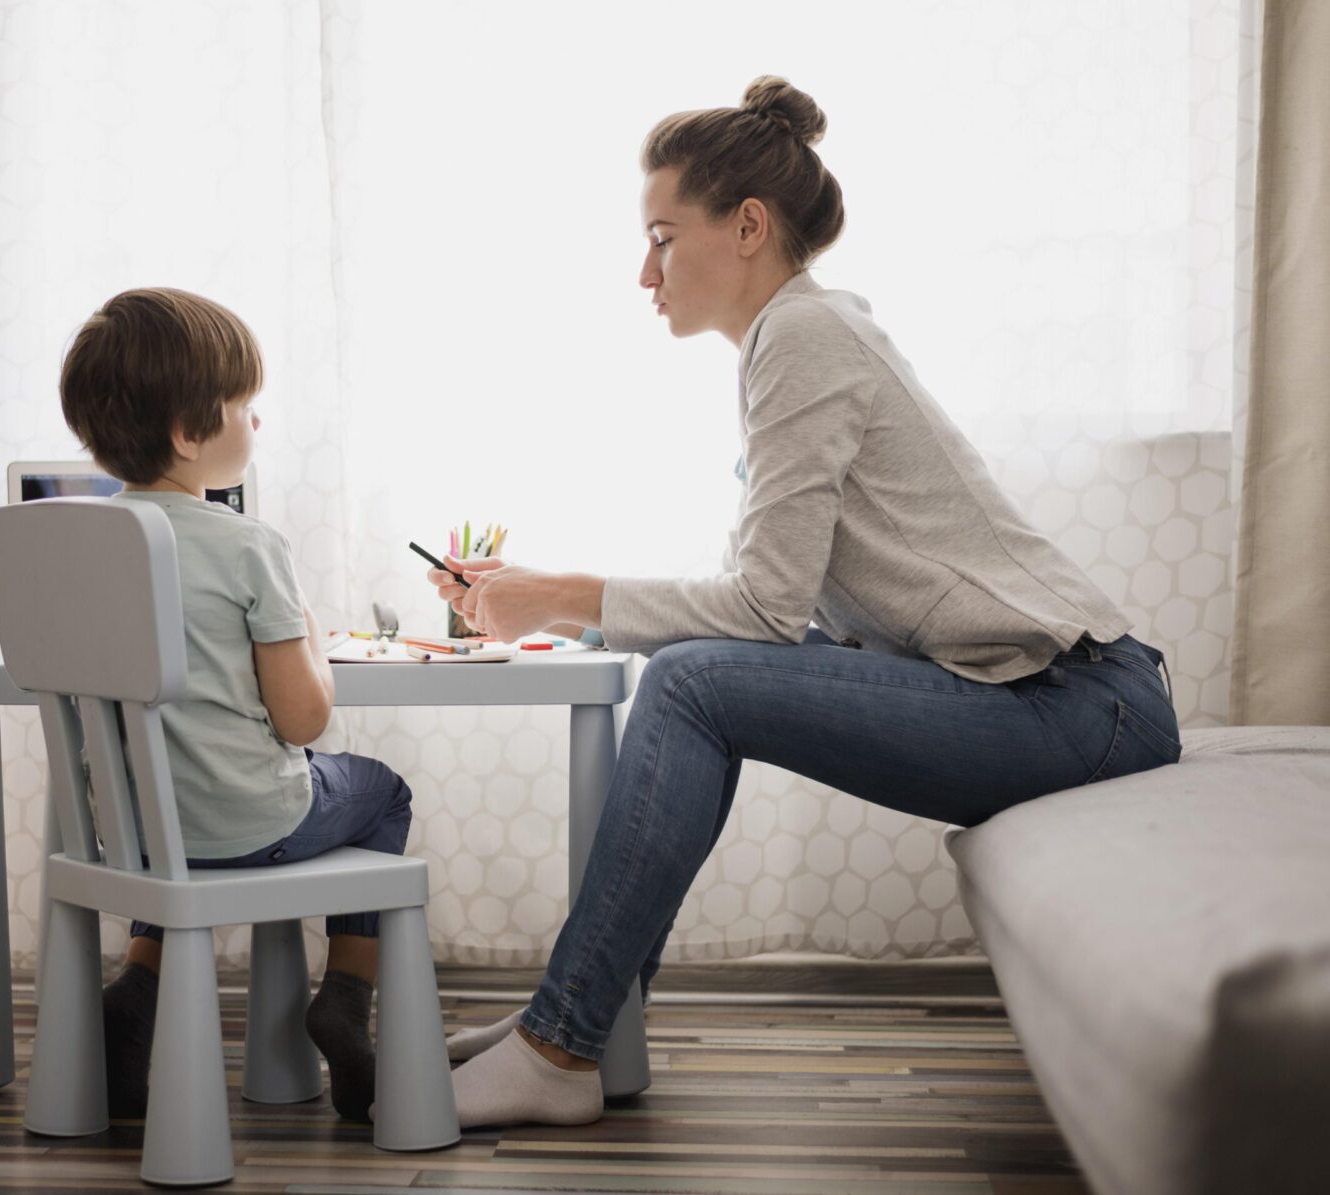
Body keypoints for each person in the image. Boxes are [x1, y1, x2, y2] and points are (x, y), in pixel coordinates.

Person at [427, 77, 1182, 1129]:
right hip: (1054, 695)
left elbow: (764, 608)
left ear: (747, 226)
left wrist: (561, 590)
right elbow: (784, 612)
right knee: (694, 678)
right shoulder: (798, 336)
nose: (641, 271)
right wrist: (560, 609)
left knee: (693, 683)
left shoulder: (805, 337)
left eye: (660, 236)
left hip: (1076, 702)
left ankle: (561, 1040)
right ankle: (577, 1026)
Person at [59, 287, 413, 1122]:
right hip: (253, 824)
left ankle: (139, 988)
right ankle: (347, 995)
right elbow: (303, 721)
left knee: (180, 805)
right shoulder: (249, 545)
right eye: (247, 406)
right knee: (382, 790)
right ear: (190, 432)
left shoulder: (80, 548)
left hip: (134, 832)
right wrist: (313, 646)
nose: (258, 424)